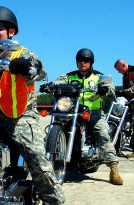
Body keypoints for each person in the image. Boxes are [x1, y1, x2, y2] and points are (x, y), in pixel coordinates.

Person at [0, 6, 66, 205]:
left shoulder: (22, 54)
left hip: (19, 116)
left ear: (11, 31)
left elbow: (40, 71)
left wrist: (27, 68)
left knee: (37, 158)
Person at [51, 48, 124, 185]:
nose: (83, 63)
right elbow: (58, 82)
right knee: (55, 124)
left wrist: (105, 89)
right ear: (77, 62)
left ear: (91, 62)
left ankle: (114, 169)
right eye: (81, 60)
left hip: (93, 112)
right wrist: (49, 85)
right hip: (72, 111)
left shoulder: (98, 76)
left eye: (86, 61)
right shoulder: (69, 76)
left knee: (102, 133)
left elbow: (110, 87)